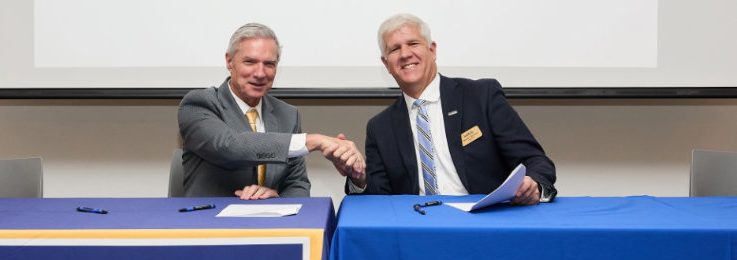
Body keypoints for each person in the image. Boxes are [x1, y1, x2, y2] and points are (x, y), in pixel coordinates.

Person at [349, 14, 556, 205]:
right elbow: (379, 201)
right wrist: (359, 177)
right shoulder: (380, 128)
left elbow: (534, 160)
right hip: (418, 227)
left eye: (413, 43)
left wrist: (534, 184)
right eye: (394, 49)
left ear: (432, 50)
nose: (405, 54)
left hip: (485, 221)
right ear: (386, 64)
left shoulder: (481, 96)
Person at [179, 23, 364, 199]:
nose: (260, 73)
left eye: (269, 64)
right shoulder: (199, 103)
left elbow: (297, 184)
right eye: (250, 62)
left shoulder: (288, 114)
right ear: (229, 61)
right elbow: (229, 146)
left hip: (270, 227)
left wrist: (278, 200)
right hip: (208, 224)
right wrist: (315, 141)